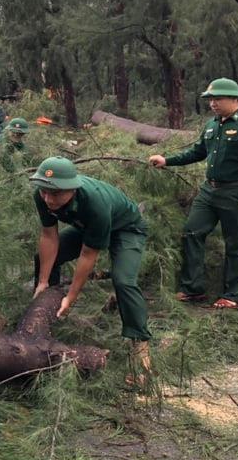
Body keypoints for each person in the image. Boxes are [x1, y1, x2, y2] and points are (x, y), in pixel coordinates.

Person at [148, 78, 238, 309]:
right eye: (210, 99)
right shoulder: (212, 125)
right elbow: (197, 152)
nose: (213, 103)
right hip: (209, 191)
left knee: (234, 243)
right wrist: (167, 160)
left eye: (218, 99)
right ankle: (193, 289)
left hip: (236, 192)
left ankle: (231, 294)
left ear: (235, 99)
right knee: (192, 232)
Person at [30, 157, 152, 385]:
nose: (48, 198)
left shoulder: (95, 202)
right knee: (43, 259)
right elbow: (49, 236)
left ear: (72, 189)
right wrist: (43, 282)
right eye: (45, 192)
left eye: (55, 194)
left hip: (125, 229)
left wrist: (72, 296)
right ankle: (46, 316)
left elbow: (88, 254)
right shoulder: (43, 195)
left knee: (123, 281)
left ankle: (140, 347)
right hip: (86, 228)